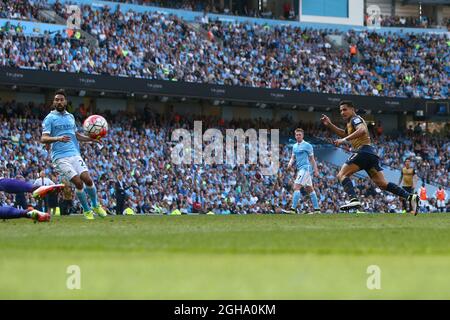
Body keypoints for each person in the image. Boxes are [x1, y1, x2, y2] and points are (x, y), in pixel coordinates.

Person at [320, 100, 419, 214]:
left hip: (362, 152)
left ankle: (354, 199)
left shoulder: (355, 119)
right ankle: (410, 197)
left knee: (342, 174)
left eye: (345, 109)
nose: (342, 112)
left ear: (353, 109)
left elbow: (361, 130)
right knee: (382, 184)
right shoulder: (350, 123)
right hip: (371, 154)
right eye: (341, 110)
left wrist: (344, 140)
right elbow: (345, 134)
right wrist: (330, 124)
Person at [40, 89, 107, 220]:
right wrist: (57, 139)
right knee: (78, 182)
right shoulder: (49, 118)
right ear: (54, 102)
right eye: (56, 100)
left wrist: (91, 139)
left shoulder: (70, 117)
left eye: (61, 99)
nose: (59, 102)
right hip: (60, 157)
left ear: (65, 102)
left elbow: (76, 135)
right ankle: (87, 211)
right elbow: (43, 138)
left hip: (75, 154)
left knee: (87, 179)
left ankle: (95, 205)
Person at [284, 128, 320, 214]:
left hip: (306, 168)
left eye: (299, 135)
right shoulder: (294, 146)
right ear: (295, 136)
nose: (298, 136)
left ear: (302, 136)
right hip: (300, 169)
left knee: (296, 187)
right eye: (296, 135)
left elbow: (312, 159)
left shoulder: (307, 145)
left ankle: (293, 209)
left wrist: (316, 170)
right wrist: (289, 164)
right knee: (310, 189)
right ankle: (317, 210)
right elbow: (293, 157)